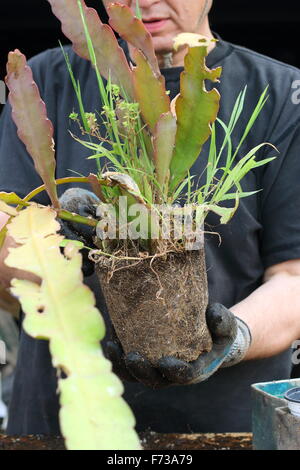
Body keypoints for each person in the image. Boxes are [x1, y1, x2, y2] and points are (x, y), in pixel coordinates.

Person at [1, 0, 300, 435]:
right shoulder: (48, 80)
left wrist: (234, 337)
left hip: (227, 428)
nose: (146, 1)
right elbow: (7, 237)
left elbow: (294, 277)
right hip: (64, 418)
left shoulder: (283, 93)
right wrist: (58, 246)